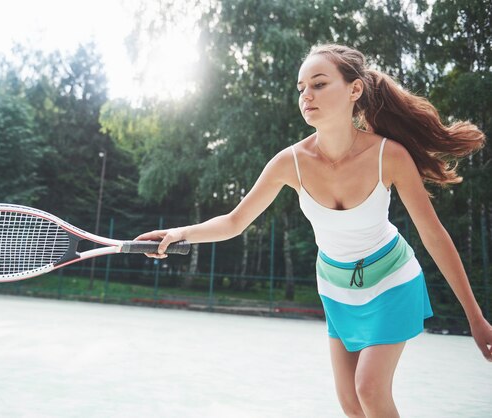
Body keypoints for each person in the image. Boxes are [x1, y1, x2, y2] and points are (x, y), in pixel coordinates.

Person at [136, 44, 492, 417]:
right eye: (301, 87)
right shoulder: (290, 162)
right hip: (337, 289)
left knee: (369, 390)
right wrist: (178, 233)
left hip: (392, 281)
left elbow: (433, 235)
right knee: (351, 405)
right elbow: (234, 221)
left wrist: (475, 316)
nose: (306, 95)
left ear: (354, 90)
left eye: (319, 84)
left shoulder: (390, 155)